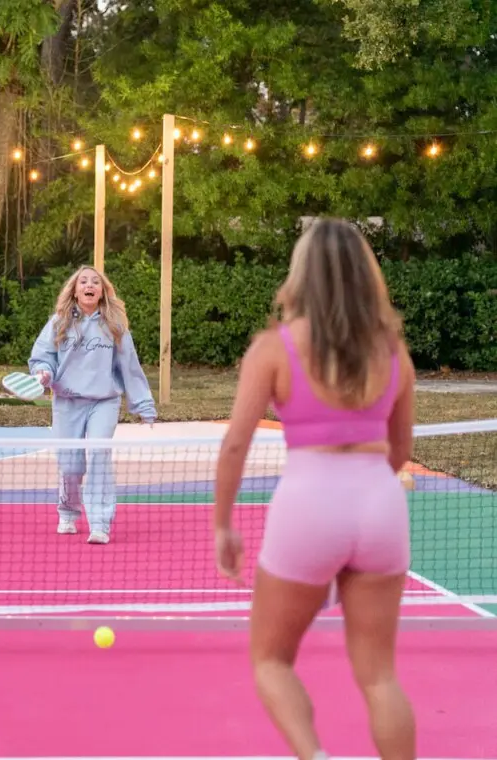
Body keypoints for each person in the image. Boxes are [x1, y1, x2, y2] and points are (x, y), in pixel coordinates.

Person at [213, 218, 417, 760]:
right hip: (379, 503)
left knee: (271, 660)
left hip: (308, 504)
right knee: (380, 677)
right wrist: (360, 499)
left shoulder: (273, 349)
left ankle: (317, 756)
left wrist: (223, 525)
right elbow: (401, 447)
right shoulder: (392, 353)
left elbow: (235, 446)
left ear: (301, 274)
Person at [28, 265, 157, 544]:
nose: (89, 285)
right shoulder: (59, 322)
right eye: (83, 281)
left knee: (99, 455)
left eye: (95, 282)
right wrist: (43, 372)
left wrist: (143, 404)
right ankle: (68, 511)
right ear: (75, 291)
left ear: (102, 291)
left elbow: (129, 366)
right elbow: (43, 357)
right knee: (70, 466)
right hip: (67, 402)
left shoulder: (114, 325)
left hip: (104, 401)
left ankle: (100, 523)